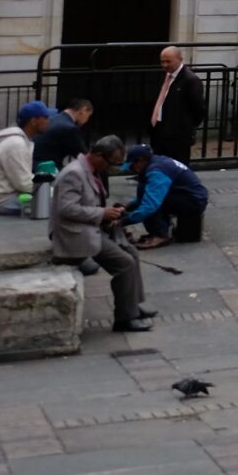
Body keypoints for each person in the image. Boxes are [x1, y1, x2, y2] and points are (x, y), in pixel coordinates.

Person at [47, 135, 152, 334]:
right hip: (74, 233)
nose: (111, 168)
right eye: (111, 163)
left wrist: (108, 215)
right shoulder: (74, 174)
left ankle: (132, 306)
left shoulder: (91, 170)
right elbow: (66, 209)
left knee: (132, 253)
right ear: (97, 155)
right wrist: (101, 214)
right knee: (125, 264)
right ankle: (124, 319)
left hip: (92, 227)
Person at [119, 142, 209, 245]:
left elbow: (150, 205)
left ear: (140, 161)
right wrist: (127, 207)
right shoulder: (157, 162)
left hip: (193, 201)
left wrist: (122, 221)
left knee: (149, 199)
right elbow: (148, 196)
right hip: (190, 196)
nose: (131, 170)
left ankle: (159, 235)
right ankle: (159, 230)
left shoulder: (156, 172)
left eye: (132, 166)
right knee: (147, 192)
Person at [0, 102, 49, 214]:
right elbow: (24, 183)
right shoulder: (17, 145)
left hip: (11, 196)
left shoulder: (20, 141)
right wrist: (50, 190)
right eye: (46, 118)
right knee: (56, 205)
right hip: (6, 200)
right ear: (34, 121)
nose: (48, 121)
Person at [148, 47, 207, 163]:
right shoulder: (164, 75)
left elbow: (198, 108)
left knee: (177, 165)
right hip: (159, 128)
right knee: (160, 163)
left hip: (178, 134)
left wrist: (186, 126)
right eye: (162, 61)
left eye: (168, 61)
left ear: (180, 59)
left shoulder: (191, 80)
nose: (165, 65)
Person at [34, 98, 93, 171]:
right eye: (88, 116)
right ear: (84, 110)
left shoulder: (53, 118)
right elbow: (84, 156)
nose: (87, 120)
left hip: (35, 164)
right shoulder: (69, 128)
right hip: (47, 169)